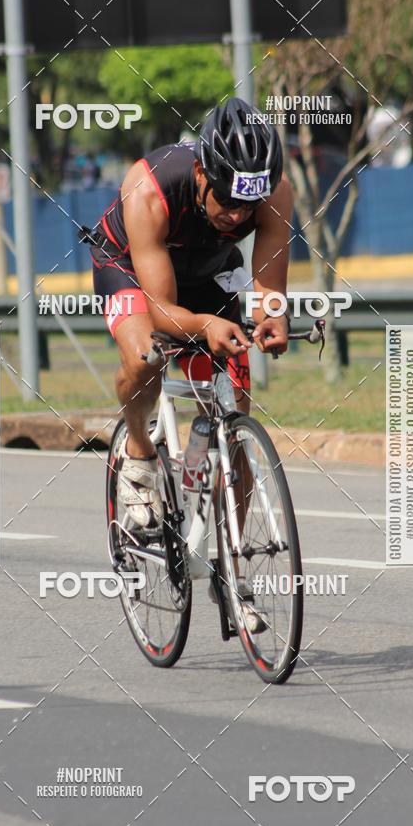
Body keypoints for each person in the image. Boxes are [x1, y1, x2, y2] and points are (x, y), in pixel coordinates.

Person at [88, 98, 293, 630]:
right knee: (146, 353)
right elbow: (160, 311)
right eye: (225, 199)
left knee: (234, 411)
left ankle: (230, 564)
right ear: (202, 172)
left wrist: (271, 314)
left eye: (248, 206)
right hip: (133, 270)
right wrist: (204, 327)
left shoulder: (273, 192)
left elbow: (268, 278)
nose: (237, 214)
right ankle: (137, 455)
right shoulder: (148, 187)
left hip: (207, 274)